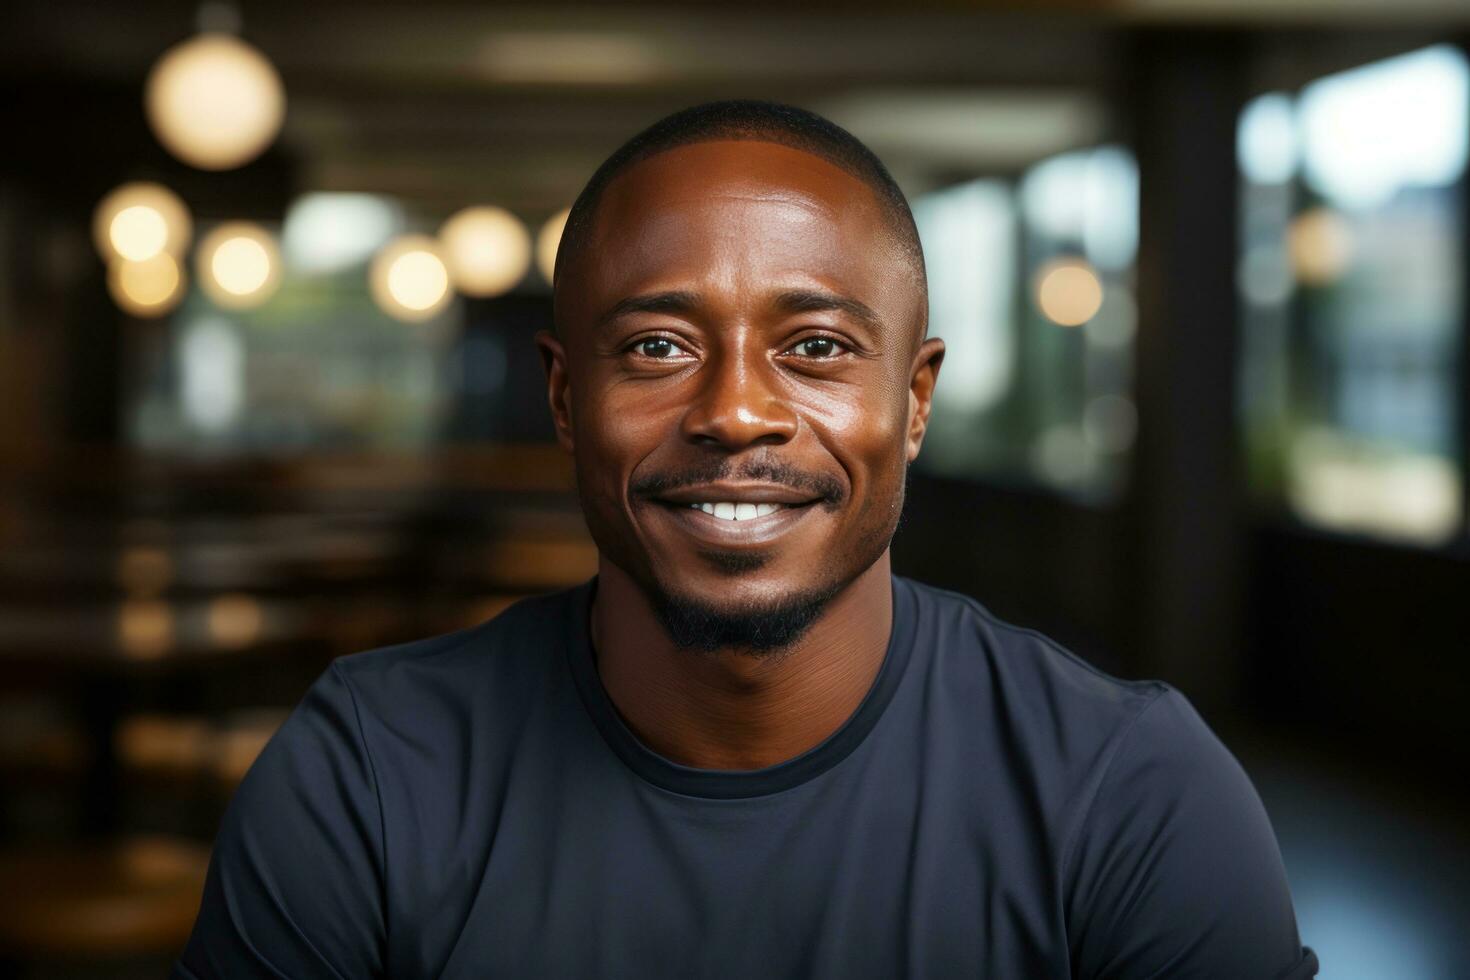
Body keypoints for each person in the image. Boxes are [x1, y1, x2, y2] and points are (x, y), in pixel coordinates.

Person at [174, 100, 1318, 979]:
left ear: (913, 403)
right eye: (658, 347)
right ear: (567, 402)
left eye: (816, 346)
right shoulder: (363, 780)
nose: (733, 410)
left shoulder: (1130, 796)